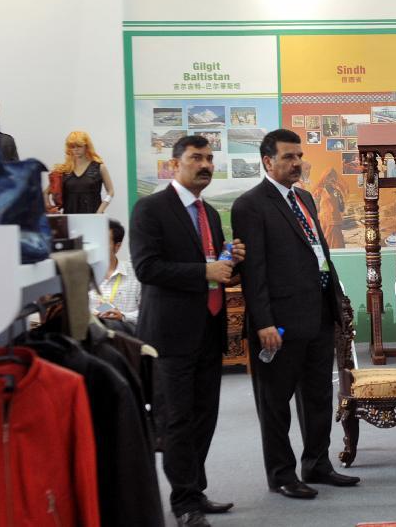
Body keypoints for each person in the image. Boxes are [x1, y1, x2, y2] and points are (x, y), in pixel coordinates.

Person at [231, 129, 359, 500]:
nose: (297, 163)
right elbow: (253, 271)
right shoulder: (250, 205)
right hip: (280, 323)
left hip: (318, 313)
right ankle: (281, 474)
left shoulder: (304, 198)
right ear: (267, 161)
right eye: (288, 157)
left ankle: (317, 463)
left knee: (318, 395)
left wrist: (334, 304)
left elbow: (318, 254)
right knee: (275, 403)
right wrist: (264, 322)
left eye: (299, 156)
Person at [130, 135, 245, 527]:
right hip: (170, 335)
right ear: (174, 164)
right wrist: (204, 271)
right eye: (197, 158)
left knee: (203, 417)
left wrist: (232, 264)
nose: (205, 165)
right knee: (176, 420)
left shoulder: (210, 213)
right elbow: (148, 268)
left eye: (210, 158)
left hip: (208, 331)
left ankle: (195, 490)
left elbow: (215, 270)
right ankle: (184, 505)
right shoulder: (150, 209)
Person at [88, 219, 141, 333]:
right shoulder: (82, 275)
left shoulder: (135, 273)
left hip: (125, 338)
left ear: (117, 247)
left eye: (103, 242)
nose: (96, 247)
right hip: (91, 339)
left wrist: (122, 316)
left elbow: (147, 314)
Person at [45, 130, 115, 214]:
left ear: (86, 146)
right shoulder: (64, 171)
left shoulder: (99, 167)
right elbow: (46, 193)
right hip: (70, 217)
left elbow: (110, 192)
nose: (76, 149)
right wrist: (50, 208)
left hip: (93, 216)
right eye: (72, 147)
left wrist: (100, 211)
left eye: (79, 146)